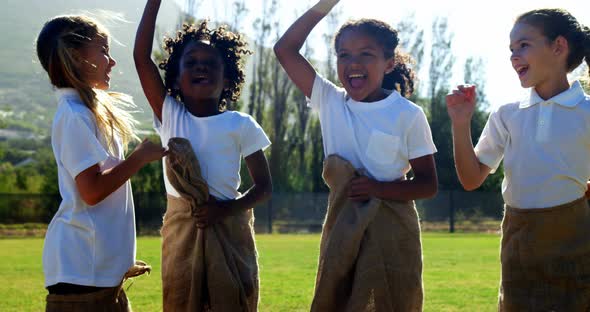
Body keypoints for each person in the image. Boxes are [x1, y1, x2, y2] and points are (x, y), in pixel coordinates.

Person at [274, 0, 438, 310]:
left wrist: (379, 189)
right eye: (344, 55)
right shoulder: (330, 101)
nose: (354, 63)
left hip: (393, 230)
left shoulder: (407, 115)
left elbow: (427, 184)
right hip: (341, 226)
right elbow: (285, 49)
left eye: (367, 54)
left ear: (389, 63)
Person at [446, 8, 590, 311]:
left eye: (523, 45)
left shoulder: (586, 111)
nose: (514, 56)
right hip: (519, 246)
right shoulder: (507, 114)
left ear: (559, 46)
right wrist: (460, 123)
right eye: (511, 49)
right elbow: (471, 179)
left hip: (577, 244)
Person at [134, 1, 272, 310]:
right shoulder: (170, 114)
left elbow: (264, 188)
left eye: (211, 62)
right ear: (175, 77)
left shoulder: (241, 124)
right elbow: (141, 59)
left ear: (228, 78)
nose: (201, 66)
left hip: (229, 230)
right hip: (182, 229)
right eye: (191, 61)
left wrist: (225, 210)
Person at [36, 14, 167, 311]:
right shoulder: (74, 115)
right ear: (75, 56)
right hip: (82, 276)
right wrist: (139, 159)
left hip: (96, 277)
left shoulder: (83, 111)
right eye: (103, 50)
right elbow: (92, 191)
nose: (111, 61)